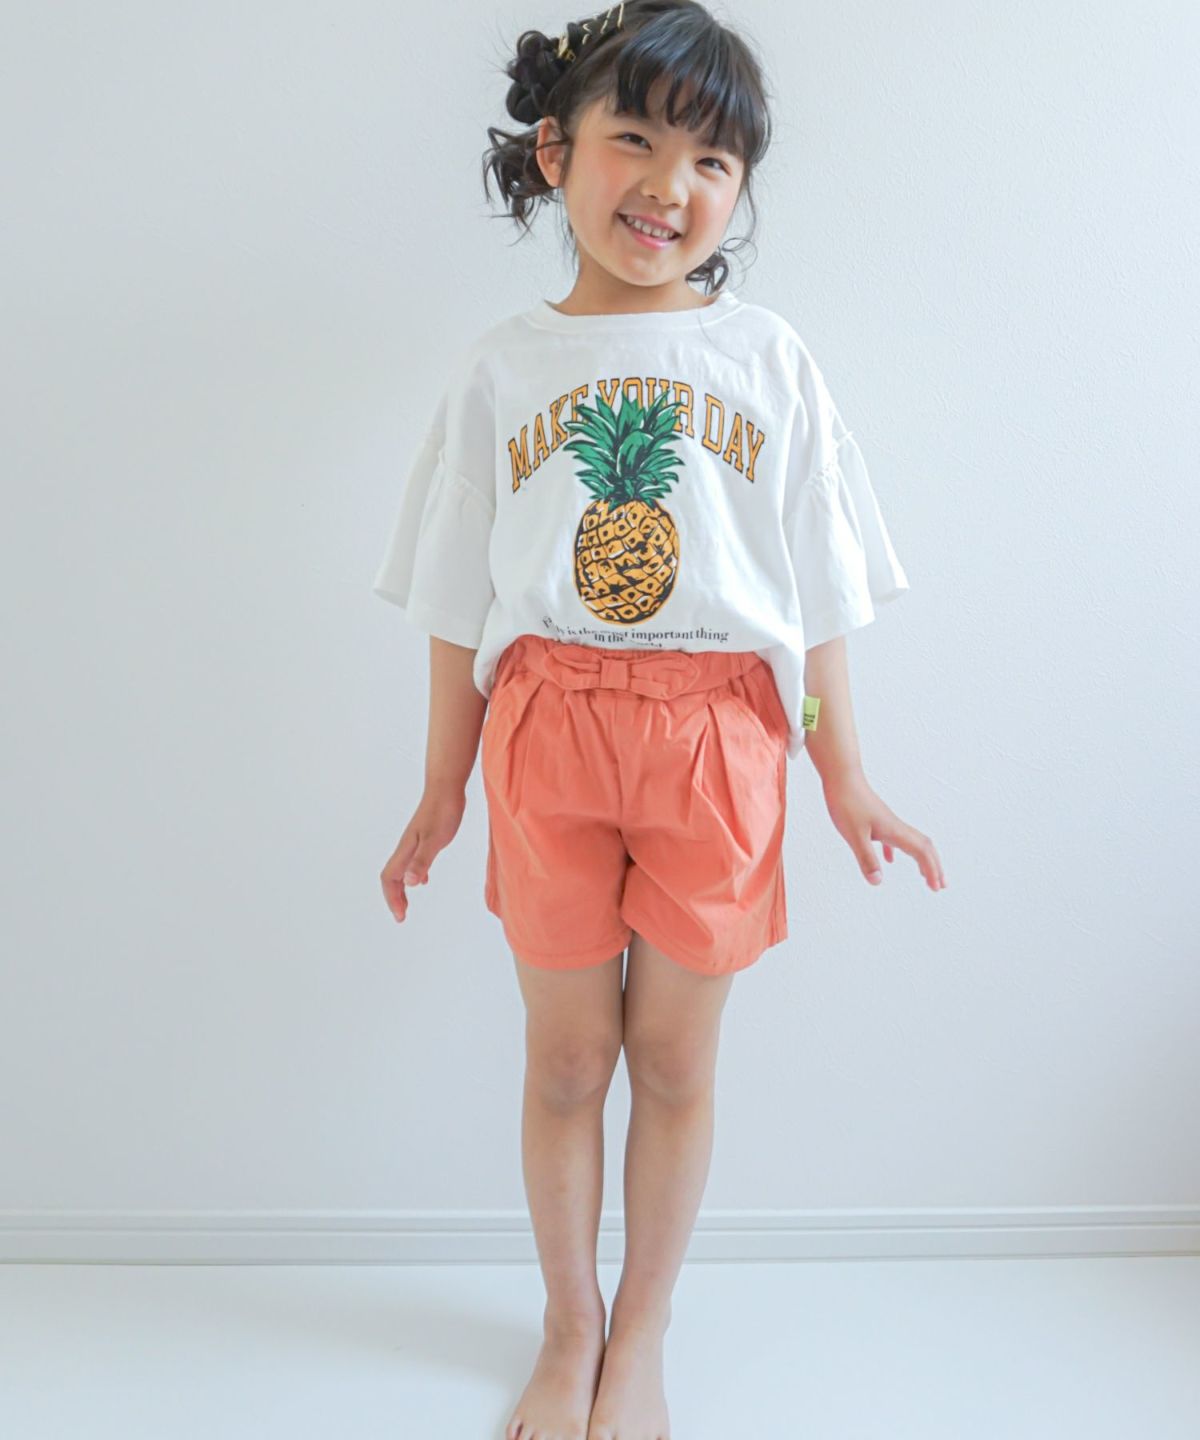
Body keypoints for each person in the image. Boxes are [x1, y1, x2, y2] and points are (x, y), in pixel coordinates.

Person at [374, 3, 946, 1435]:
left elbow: (816, 590)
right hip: (547, 728)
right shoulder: (502, 368)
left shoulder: (768, 359)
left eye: (712, 161)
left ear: (739, 188)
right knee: (568, 1058)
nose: (669, 185)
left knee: (677, 1061)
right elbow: (454, 596)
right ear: (554, 153)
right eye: (633, 139)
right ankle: (568, 1326)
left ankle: (644, 1331)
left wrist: (848, 774)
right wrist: (442, 787)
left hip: (720, 738)